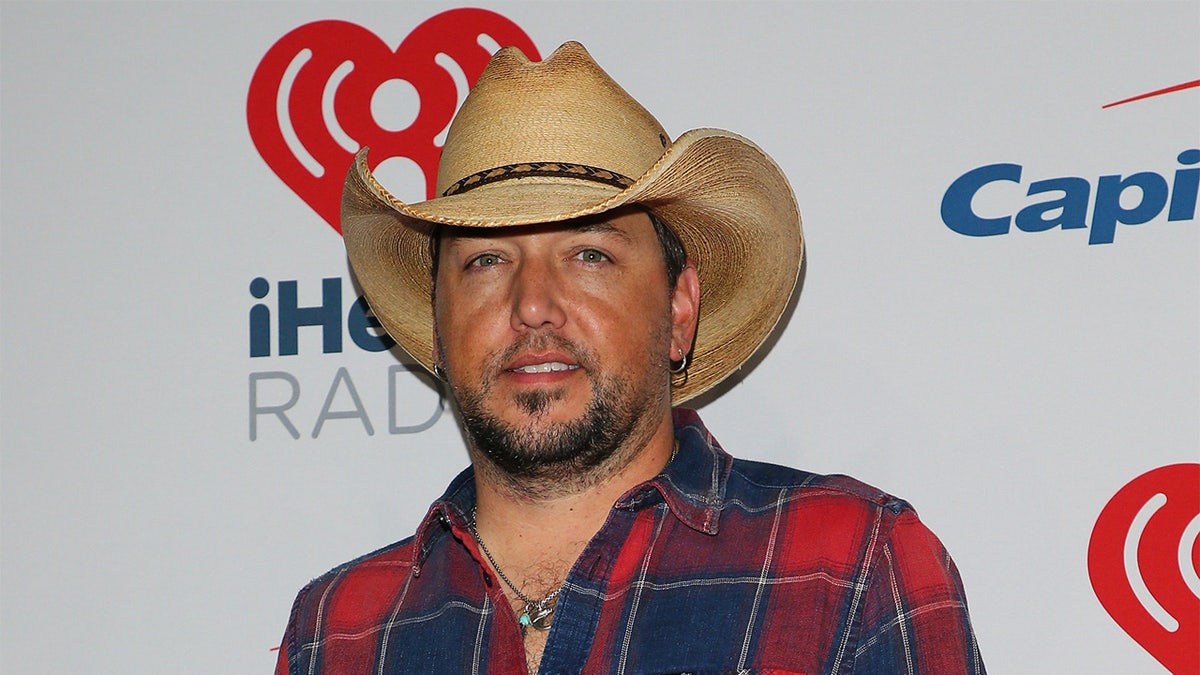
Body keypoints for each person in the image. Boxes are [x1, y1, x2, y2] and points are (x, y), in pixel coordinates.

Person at [275, 41, 984, 674]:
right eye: (487, 260)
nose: (532, 304)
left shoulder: (851, 564)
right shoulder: (339, 631)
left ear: (679, 310)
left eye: (590, 254)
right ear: (435, 323)